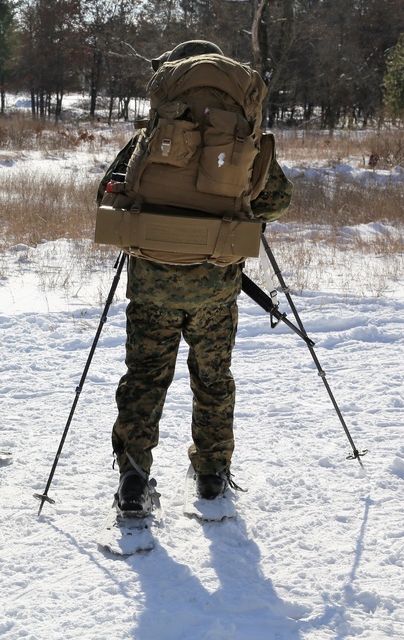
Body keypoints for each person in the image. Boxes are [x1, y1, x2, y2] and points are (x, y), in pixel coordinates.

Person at [97, 40, 293, 509]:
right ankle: (211, 474)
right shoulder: (241, 140)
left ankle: (134, 478)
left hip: (152, 286)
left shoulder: (154, 135)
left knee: (144, 378)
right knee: (213, 380)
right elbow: (277, 199)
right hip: (215, 288)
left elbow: (106, 192)